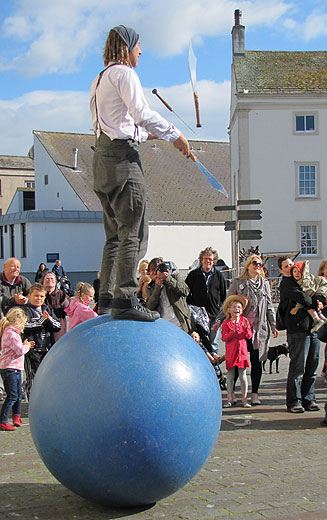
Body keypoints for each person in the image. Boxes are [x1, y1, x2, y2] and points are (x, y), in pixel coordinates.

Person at [90, 24, 190, 321]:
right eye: (138, 46)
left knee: (114, 236)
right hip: (122, 161)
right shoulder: (125, 73)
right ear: (127, 47)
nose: (141, 51)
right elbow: (141, 114)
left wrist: (150, 137)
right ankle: (126, 298)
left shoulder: (100, 79)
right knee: (134, 233)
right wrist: (175, 135)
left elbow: (120, 126)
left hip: (102, 159)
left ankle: (107, 297)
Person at [226, 254, 278, 405]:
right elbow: (229, 303)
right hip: (241, 329)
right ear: (248, 265)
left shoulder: (265, 284)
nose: (257, 266)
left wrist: (273, 325)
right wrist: (221, 321)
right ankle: (233, 395)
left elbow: (269, 306)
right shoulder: (238, 282)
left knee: (257, 361)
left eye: (260, 264)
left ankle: (254, 394)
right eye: (255, 263)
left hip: (259, 328)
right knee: (237, 361)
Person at [277, 255, 320, 413]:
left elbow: (318, 293)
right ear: (281, 270)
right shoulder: (287, 284)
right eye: (286, 266)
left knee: (312, 365)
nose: (291, 267)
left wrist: (319, 299)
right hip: (297, 330)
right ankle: (294, 401)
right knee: (298, 367)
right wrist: (316, 302)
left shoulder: (303, 280)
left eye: (291, 264)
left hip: (312, 328)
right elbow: (304, 298)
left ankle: (309, 398)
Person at [23, 283, 61, 399]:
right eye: (36, 296)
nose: (38, 298)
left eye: (41, 296)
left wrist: (48, 320)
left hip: (47, 349)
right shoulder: (26, 310)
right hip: (33, 350)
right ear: (29, 296)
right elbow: (24, 326)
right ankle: (32, 402)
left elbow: (57, 325)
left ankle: (44, 400)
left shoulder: (47, 309)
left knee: (46, 376)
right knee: (33, 377)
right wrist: (41, 321)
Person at [185, 247, 226, 354]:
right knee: (200, 342)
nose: (208, 261)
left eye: (210, 259)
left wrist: (220, 313)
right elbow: (186, 293)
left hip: (214, 315)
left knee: (214, 343)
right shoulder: (193, 275)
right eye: (205, 258)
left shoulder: (219, 276)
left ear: (214, 261)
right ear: (201, 260)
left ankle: (214, 368)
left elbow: (223, 296)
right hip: (198, 317)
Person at [0, 308, 35, 431]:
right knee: (12, 396)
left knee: (19, 394)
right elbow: (19, 350)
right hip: (10, 367)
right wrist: (26, 346)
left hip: (16, 367)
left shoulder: (13, 333)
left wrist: (24, 345)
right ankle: (3, 420)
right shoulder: (10, 333)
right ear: (17, 321)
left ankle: (17, 416)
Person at [221, 294, 252, 408]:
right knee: (230, 376)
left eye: (239, 307)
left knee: (243, 375)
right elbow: (224, 338)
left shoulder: (245, 321)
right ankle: (230, 397)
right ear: (229, 310)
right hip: (231, 353)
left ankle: (244, 399)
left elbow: (249, 336)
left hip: (242, 353)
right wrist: (233, 332)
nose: (236, 309)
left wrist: (244, 328)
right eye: (234, 307)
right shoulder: (226, 323)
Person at [146, 262, 192, 333]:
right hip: (163, 326)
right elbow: (149, 307)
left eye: (160, 269)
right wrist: (157, 288)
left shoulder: (174, 277)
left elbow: (185, 291)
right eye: (154, 271)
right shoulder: (150, 286)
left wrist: (168, 279)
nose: (157, 273)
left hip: (179, 324)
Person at [290, 261, 327, 332]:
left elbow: (307, 293)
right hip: (319, 296)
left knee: (307, 303)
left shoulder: (305, 281)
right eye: (294, 271)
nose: (297, 273)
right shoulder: (301, 281)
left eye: (299, 271)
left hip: (318, 295)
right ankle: (321, 317)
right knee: (311, 303)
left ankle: (317, 320)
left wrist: (297, 307)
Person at [42, 272, 70, 341]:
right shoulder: (40, 294)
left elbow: (68, 309)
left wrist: (64, 299)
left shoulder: (61, 294)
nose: (50, 280)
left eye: (52, 278)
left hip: (59, 330)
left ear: (55, 282)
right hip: (43, 329)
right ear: (43, 281)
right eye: (47, 279)